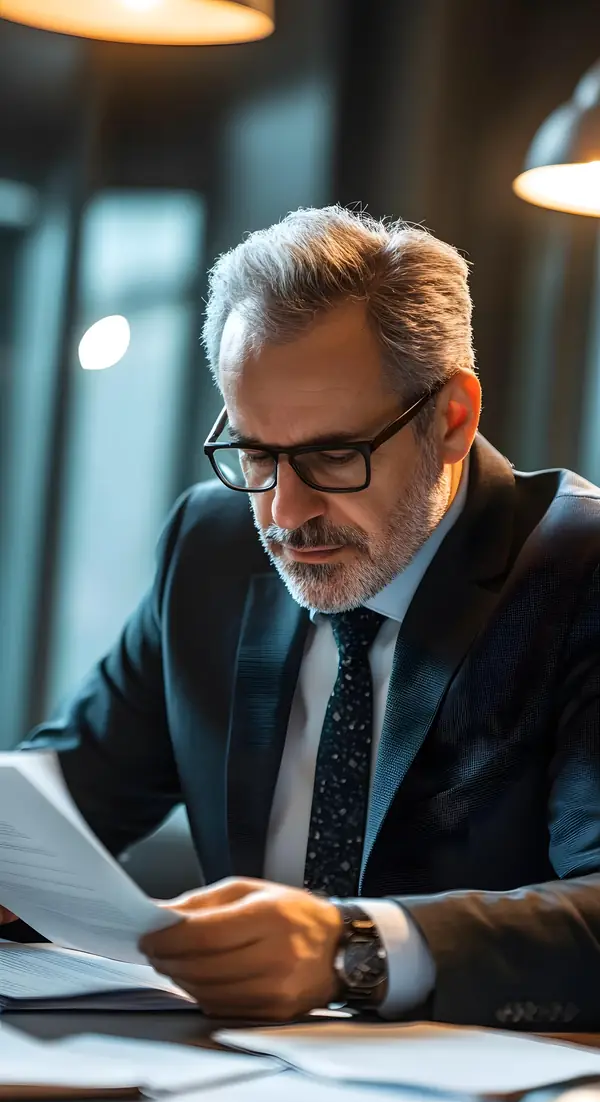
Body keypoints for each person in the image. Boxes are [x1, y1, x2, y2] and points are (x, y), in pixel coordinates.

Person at [2, 205, 600, 1031]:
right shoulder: (212, 547)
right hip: (227, 1076)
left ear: (452, 420)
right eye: (255, 452)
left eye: (332, 456)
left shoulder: (579, 570)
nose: (285, 513)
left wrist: (350, 948)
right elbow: (65, 793)